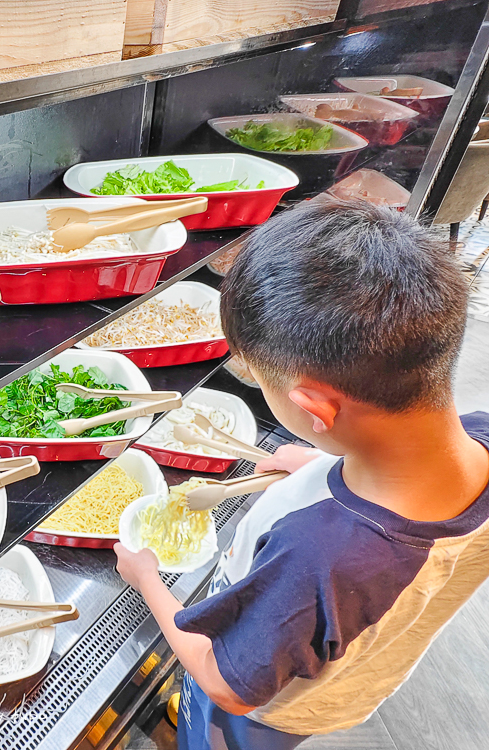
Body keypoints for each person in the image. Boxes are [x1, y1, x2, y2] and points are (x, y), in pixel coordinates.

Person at [114, 198, 489, 750]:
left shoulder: (318, 554)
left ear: (315, 409)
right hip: (352, 675)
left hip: (265, 712)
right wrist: (323, 465)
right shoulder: (474, 435)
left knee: (212, 725)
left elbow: (229, 686)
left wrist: (147, 579)